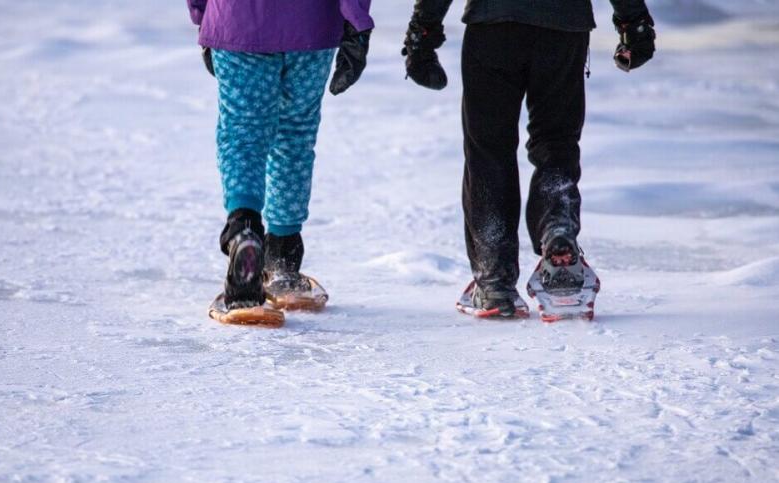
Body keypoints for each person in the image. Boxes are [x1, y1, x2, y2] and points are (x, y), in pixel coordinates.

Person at [402, 0, 656, 320]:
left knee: (489, 149)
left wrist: (422, 31)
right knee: (556, 142)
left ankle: (494, 279)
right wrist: (634, 23)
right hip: (563, 28)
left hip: (492, 27)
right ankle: (557, 229)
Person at [187, 0, 374, 326]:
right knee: (295, 137)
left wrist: (203, 16)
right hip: (312, 27)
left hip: (237, 20)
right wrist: (356, 20)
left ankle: (244, 233)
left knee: (242, 136)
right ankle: (284, 257)